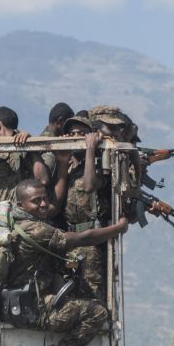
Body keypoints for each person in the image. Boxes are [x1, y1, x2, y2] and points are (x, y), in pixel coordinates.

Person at [7, 178, 129, 346]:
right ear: (20, 206)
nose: (44, 204)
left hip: (25, 303)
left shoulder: (17, 223)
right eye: (36, 201)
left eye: (45, 199)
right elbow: (81, 238)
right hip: (32, 309)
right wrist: (117, 228)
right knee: (97, 313)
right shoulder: (34, 229)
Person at [61, 117, 110, 300]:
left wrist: (90, 149)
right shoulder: (69, 167)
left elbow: (90, 185)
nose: (75, 137)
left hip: (90, 241)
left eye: (81, 133)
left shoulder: (99, 165)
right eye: (71, 133)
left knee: (92, 295)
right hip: (70, 239)